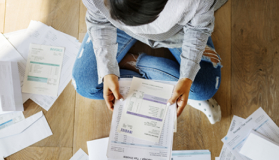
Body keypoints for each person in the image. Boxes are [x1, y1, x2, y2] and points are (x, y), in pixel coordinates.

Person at [72, 0, 227, 124]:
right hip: (116, 28)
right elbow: (99, 20)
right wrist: (107, 69)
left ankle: (131, 62)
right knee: (85, 85)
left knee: (205, 88)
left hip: (178, 31)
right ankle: (173, 88)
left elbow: (198, 30)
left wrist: (187, 77)